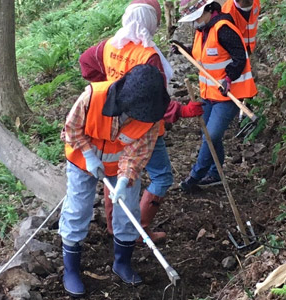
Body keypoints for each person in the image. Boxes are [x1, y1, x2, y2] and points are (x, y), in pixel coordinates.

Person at [79, 0, 203, 243]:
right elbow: (156, 102)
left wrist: (106, 89)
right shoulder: (148, 56)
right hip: (144, 126)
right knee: (162, 176)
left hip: (113, 123)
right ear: (151, 22)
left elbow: (85, 62)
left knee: (114, 172)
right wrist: (182, 111)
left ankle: (116, 227)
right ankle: (139, 228)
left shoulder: (110, 46)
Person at [59, 64, 170, 297]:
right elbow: (72, 129)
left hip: (120, 168)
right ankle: (70, 269)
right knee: (78, 208)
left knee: (128, 208)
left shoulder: (152, 117)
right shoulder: (93, 97)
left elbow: (137, 154)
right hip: (82, 161)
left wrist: (123, 181)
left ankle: (122, 263)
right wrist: (89, 155)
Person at [172, 0, 257, 191]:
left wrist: (229, 78)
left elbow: (240, 57)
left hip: (228, 95)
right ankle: (215, 173)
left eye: (197, 18)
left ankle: (195, 176)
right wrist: (183, 50)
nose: (195, 23)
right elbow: (202, 57)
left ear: (209, 10)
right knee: (208, 135)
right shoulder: (202, 31)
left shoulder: (224, 29)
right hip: (209, 94)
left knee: (211, 135)